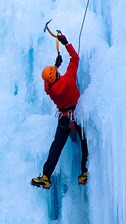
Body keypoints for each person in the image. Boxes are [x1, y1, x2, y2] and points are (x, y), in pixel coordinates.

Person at [31, 32, 89, 189]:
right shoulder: (68, 79)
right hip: (77, 114)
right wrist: (66, 42)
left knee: (56, 147)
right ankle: (84, 172)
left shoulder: (50, 89)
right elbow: (75, 58)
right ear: (56, 75)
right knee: (85, 143)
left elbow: (48, 83)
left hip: (64, 118)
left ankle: (46, 177)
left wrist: (56, 65)